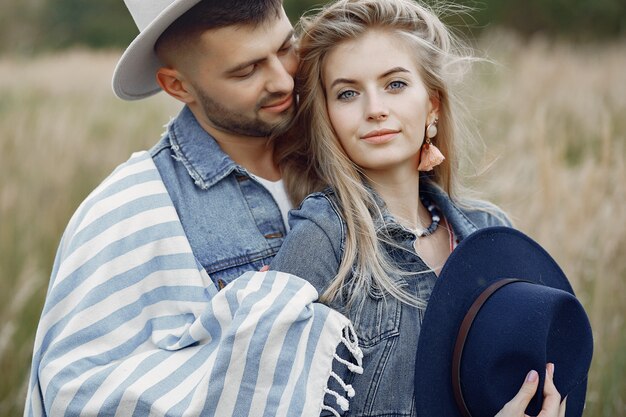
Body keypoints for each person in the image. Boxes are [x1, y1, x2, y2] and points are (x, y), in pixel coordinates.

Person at [24, 0, 364, 415]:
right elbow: (75, 396)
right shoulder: (131, 208)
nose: (282, 80)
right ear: (177, 86)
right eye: (246, 70)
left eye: (285, 47)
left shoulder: (356, 150)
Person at [270, 0, 570, 416]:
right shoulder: (324, 240)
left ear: (432, 104)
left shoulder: (490, 232)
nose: (374, 108)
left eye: (395, 84)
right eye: (348, 93)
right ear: (328, 117)